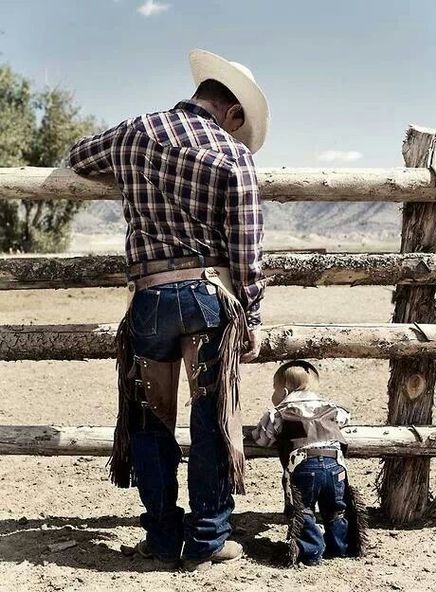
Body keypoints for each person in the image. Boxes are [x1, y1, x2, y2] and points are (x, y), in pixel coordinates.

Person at [68, 49, 269, 571]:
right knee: (210, 418)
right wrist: (251, 315)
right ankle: (207, 540)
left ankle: (161, 537)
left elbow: (79, 158)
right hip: (207, 297)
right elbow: (247, 251)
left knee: (151, 418)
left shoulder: (133, 133)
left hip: (149, 296)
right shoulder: (232, 156)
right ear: (233, 113)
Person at [253, 360, 364, 566]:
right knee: (336, 509)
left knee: (303, 510)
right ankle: (341, 547)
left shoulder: (279, 413)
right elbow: (345, 418)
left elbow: (263, 437)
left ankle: (311, 551)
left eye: (274, 390)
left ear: (284, 390)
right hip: (335, 466)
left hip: (304, 466)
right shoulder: (331, 407)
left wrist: (255, 435)